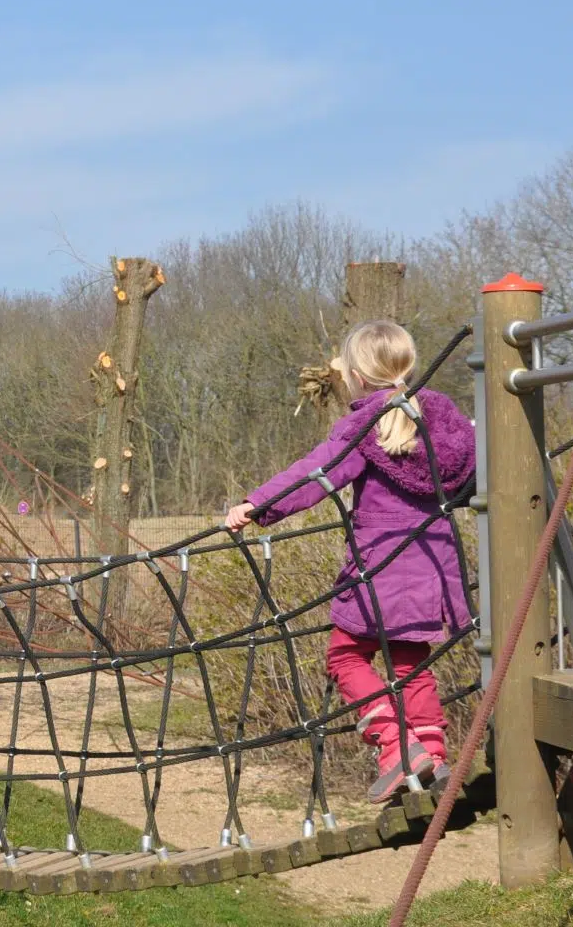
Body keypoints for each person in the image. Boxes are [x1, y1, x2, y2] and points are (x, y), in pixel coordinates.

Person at [224, 320, 475, 803]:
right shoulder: (443, 419)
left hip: (381, 568)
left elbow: (316, 474)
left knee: (346, 655)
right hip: (435, 566)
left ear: (357, 375)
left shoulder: (365, 425)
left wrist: (257, 505)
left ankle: (396, 748)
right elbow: (473, 469)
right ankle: (433, 754)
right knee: (411, 663)